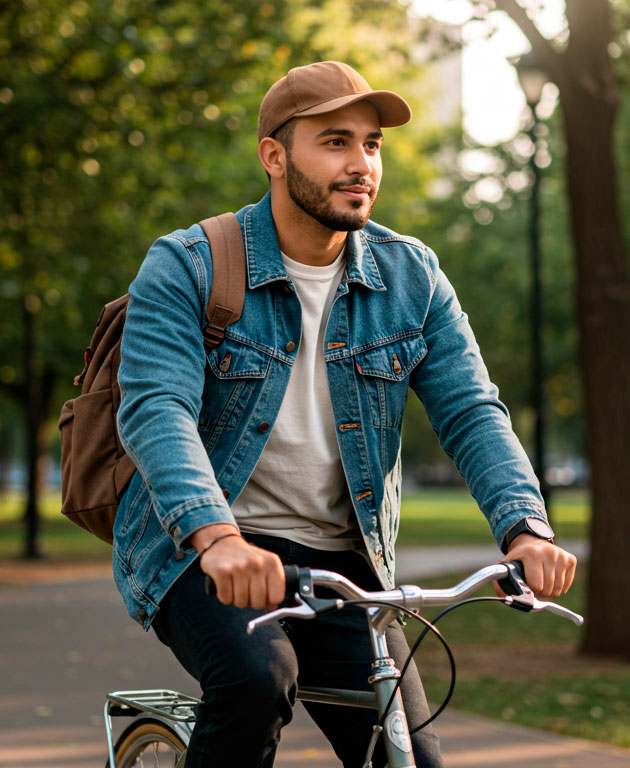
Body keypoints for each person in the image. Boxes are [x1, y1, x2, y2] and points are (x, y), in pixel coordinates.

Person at [114, 61, 577, 767]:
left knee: (408, 756)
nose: (361, 163)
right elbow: (158, 408)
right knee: (255, 681)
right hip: (206, 549)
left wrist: (526, 528)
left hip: (345, 563)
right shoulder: (189, 265)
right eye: (335, 141)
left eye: (372, 143)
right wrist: (217, 538)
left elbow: (473, 411)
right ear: (274, 155)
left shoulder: (410, 275)